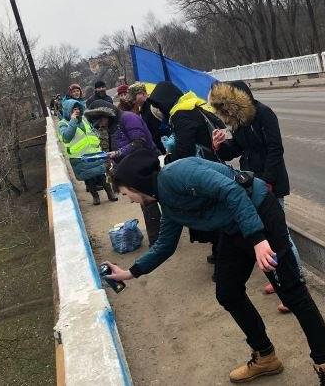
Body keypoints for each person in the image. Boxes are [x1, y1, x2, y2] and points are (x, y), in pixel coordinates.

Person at [104, 150, 325, 386]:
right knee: (228, 292)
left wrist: (258, 239)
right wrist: (130, 272)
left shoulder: (177, 173)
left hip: (260, 213)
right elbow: (165, 245)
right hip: (234, 227)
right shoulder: (167, 204)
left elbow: (232, 190)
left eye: (126, 193)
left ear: (136, 185)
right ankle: (265, 356)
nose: (129, 199)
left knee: (292, 294)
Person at [209, 81, 301, 314]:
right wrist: (220, 146)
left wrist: (268, 181)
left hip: (271, 183)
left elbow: (275, 149)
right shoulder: (240, 121)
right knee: (266, 234)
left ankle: (295, 281)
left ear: (238, 102)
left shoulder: (264, 114)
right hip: (251, 182)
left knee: (281, 233)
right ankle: (280, 279)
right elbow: (237, 149)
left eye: (228, 107)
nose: (227, 113)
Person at [149, 81, 224, 266]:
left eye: (159, 106)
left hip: (201, 168)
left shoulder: (181, 114)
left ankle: (222, 257)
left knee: (211, 213)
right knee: (215, 209)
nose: (160, 111)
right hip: (211, 162)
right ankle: (219, 252)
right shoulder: (192, 104)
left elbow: (185, 150)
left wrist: (167, 160)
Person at [84, 101, 161, 246]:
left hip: (147, 165)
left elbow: (139, 142)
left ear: (106, 115)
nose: (100, 125)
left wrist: (118, 153)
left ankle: (157, 241)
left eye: (100, 120)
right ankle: (157, 238)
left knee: (148, 202)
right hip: (135, 167)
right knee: (146, 203)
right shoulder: (112, 125)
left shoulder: (128, 118)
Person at [57, 99, 117, 205]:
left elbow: (92, 130)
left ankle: (110, 193)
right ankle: (95, 197)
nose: (77, 111)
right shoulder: (63, 123)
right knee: (88, 177)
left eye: (78, 108)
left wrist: (97, 139)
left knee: (101, 173)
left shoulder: (84, 120)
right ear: (67, 110)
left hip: (94, 152)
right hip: (80, 156)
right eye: (73, 109)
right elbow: (67, 136)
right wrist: (73, 120)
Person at [128, 82, 167, 154]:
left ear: (143, 94)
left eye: (134, 97)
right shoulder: (142, 109)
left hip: (165, 146)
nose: (133, 101)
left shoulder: (153, 106)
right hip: (158, 148)